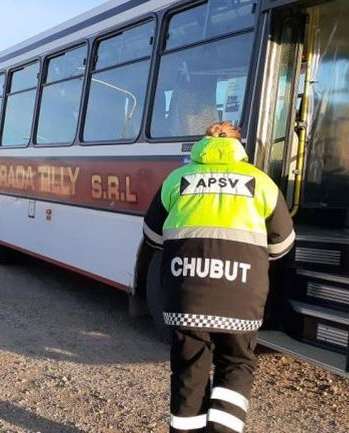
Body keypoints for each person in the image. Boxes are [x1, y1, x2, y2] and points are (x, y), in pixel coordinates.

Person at [142, 121, 294, 433]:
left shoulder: (177, 179)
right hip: (242, 295)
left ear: (203, 144)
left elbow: (152, 236)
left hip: (187, 292)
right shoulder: (261, 182)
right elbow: (282, 245)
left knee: (190, 367)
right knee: (236, 363)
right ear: (239, 146)